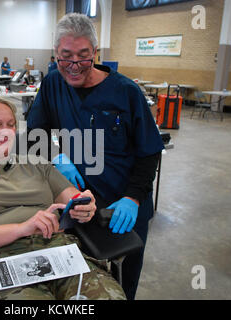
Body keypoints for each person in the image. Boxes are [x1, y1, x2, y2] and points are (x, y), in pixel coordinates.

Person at [26, 13, 164, 300]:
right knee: (82, 281)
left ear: (96, 53)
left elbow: (149, 151)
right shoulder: (52, 84)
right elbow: (35, 132)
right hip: (79, 202)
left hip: (125, 205)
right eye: (66, 57)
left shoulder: (126, 92)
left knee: (124, 278)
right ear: (55, 54)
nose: (74, 66)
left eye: (83, 56)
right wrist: (57, 158)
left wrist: (133, 197)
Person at [0, 96, 126, 300]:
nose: (5, 131)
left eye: (10, 124)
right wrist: (22, 228)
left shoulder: (37, 164)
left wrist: (85, 206)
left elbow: (73, 199)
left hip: (57, 253)